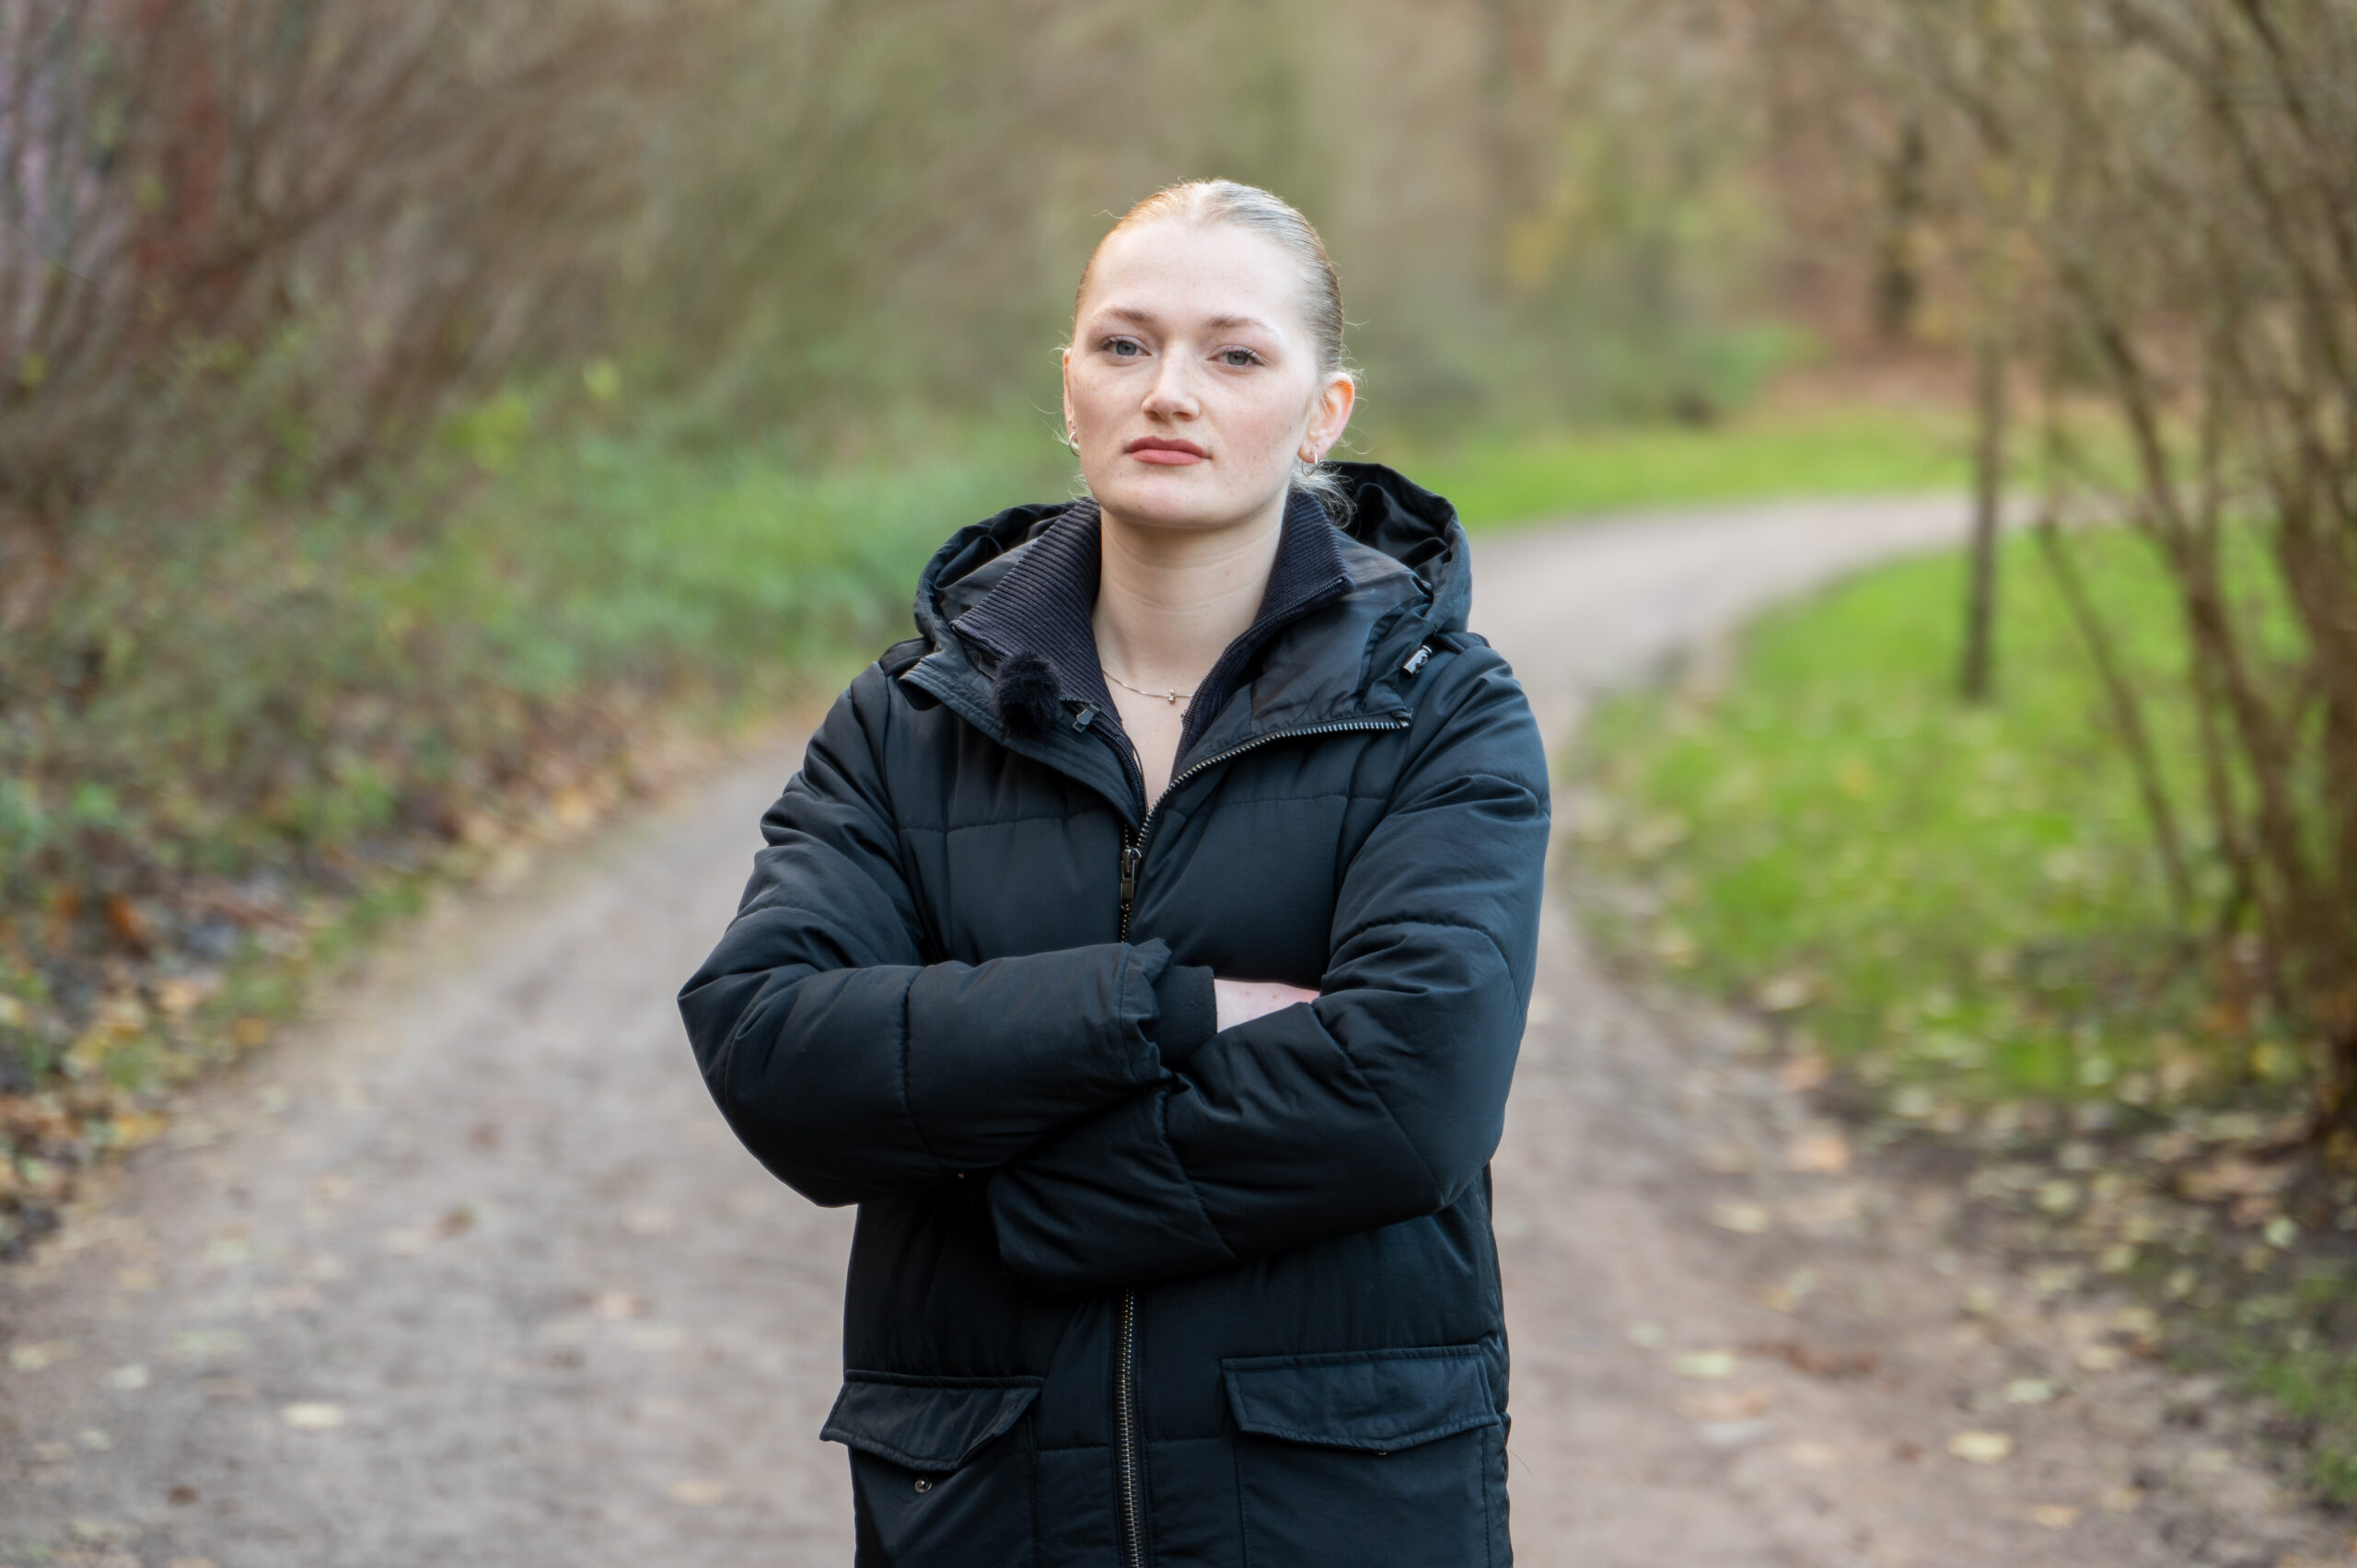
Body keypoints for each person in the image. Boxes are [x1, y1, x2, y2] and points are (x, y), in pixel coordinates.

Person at [679, 179, 1549, 1568]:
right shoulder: (908, 721)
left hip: (1336, 1500)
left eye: (1237, 354)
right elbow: (772, 1046)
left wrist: (1006, 1188)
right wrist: (1169, 1010)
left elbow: (1412, 1089)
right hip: (985, 1500)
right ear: (1070, 386)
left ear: (1323, 410)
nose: (1171, 392)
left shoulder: (1439, 710)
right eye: (1125, 344)